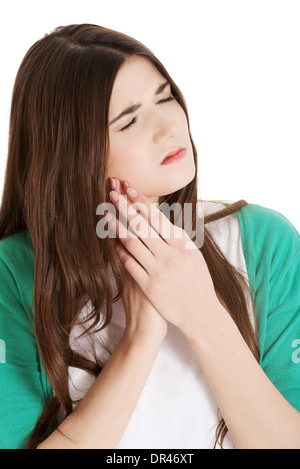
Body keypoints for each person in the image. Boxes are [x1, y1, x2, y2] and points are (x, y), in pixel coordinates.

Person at [0, 23, 299, 450]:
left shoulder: (262, 241)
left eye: (166, 97)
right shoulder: (13, 273)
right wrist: (140, 338)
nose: (170, 127)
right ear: (72, 154)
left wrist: (202, 314)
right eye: (130, 121)